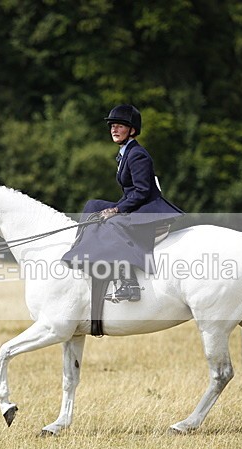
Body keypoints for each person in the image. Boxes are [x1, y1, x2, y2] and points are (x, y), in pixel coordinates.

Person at [62, 104, 183, 302]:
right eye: (112, 126)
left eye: (119, 126)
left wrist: (117, 209)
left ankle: (129, 283)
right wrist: (113, 207)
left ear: (132, 130)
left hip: (148, 209)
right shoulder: (125, 153)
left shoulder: (137, 154)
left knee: (113, 224)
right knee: (93, 205)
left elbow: (142, 191)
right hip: (136, 204)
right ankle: (81, 249)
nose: (114, 130)